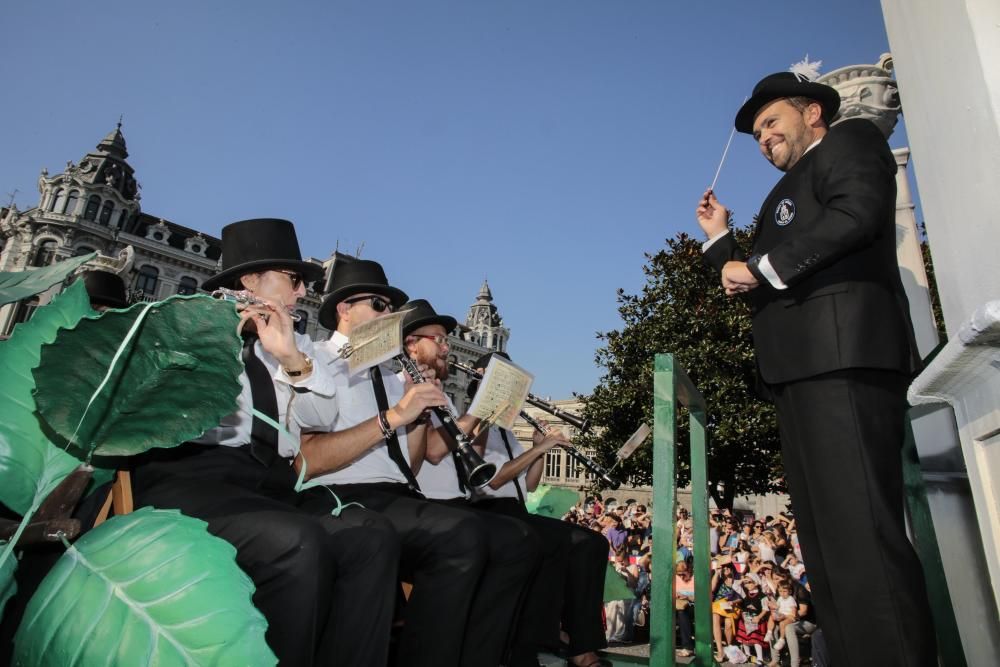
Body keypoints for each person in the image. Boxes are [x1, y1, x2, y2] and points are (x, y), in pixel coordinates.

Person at [695, 71, 935, 665]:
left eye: (771, 122)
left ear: (814, 114)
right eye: (756, 134)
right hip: (799, 371)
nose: (763, 138)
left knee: (862, 538)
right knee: (828, 547)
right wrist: (721, 242)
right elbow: (762, 284)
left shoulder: (852, 142)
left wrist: (760, 266)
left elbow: (856, 216)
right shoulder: (788, 192)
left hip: (843, 359)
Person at [129, 218, 400, 666]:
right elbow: (161, 415)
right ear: (250, 281)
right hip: (190, 477)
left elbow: (322, 418)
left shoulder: (295, 348)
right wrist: (218, 335)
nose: (301, 294)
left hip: (268, 486)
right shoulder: (181, 327)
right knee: (299, 540)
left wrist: (290, 358)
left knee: (372, 538)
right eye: (293, 281)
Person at [291, 262, 536, 667]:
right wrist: (394, 417)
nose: (390, 318)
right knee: (461, 531)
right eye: (379, 305)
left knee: (514, 541)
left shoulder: (392, 379)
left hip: (396, 495)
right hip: (336, 494)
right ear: (343, 309)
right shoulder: (313, 362)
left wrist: (420, 411)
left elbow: (414, 462)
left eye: (392, 309)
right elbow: (308, 460)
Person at [466, 349, 610, 667]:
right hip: (488, 511)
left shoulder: (505, 428)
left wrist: (537, 449)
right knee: (563, 544)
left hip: (515, 509)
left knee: (594, 543)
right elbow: (489, 482)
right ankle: (565, 643)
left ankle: (579, 640)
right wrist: (541, 448)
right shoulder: (473, 423)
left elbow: (528, 485)